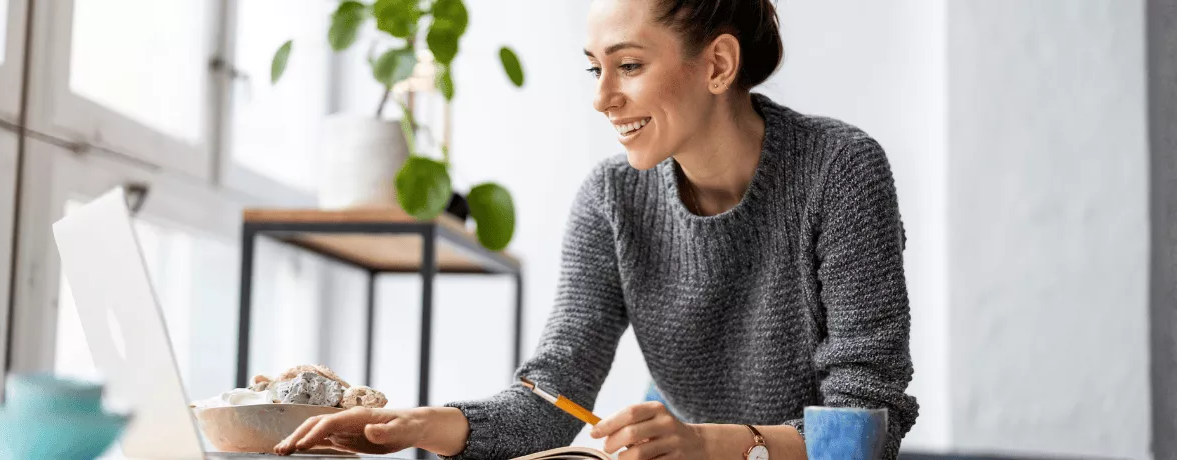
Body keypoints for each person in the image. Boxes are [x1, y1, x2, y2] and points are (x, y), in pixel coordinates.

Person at [275, 0, 919, 458]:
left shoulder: (839, 170)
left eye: (628, 65)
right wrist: (416, 426)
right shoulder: (611, 198)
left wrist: (709, 444)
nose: (602, 96)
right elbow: (551, 398)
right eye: (594, 68)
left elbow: (863, 425)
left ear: (718, 64)